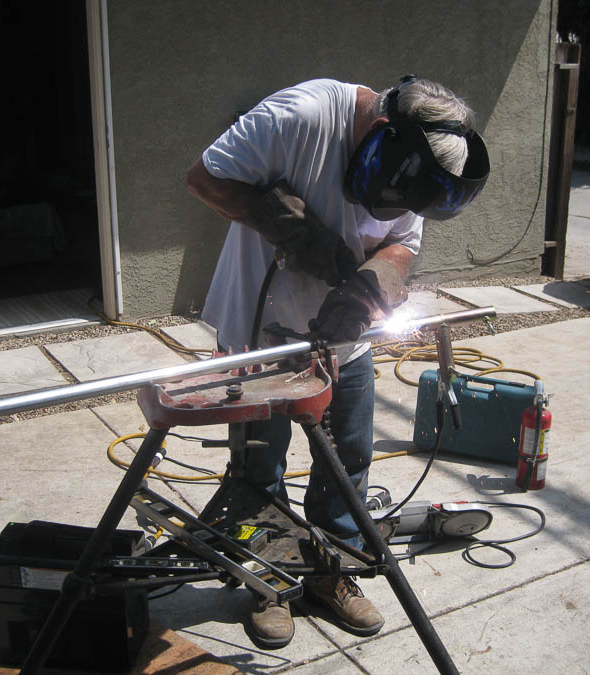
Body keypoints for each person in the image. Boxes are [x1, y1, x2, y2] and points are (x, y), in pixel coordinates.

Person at [186, 75, 489, 648]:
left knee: (347, 459)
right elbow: (203, 178)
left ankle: (332, 571)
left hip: (346, 336)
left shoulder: (419, 160)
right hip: (261, 328)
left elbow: (403, 243)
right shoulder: (299, 117)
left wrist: (376, 283)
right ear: (380, 134)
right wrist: (285, 225)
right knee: (259, 468)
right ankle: (268, 579)